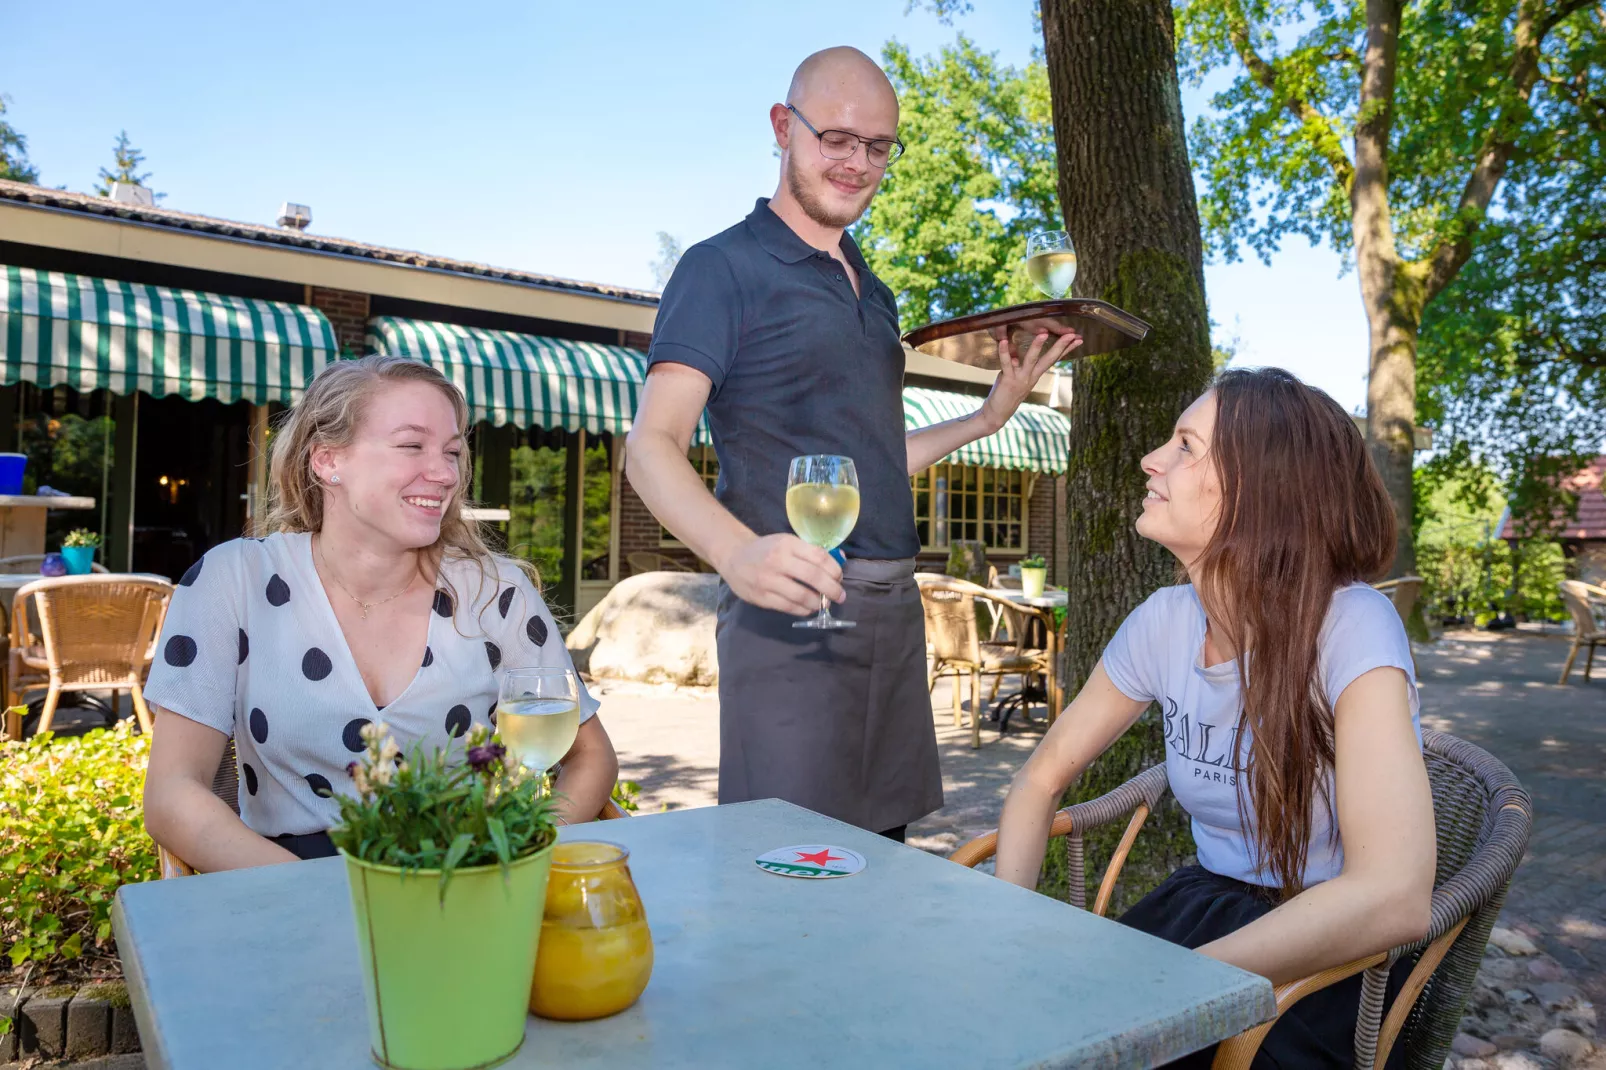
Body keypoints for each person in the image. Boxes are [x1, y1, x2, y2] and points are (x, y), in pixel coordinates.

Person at [625, 46, 1082, 840]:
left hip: (894, 614)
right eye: (836, 138)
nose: (856, 163)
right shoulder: (720, 268)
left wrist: (987, 417)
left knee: (883, 863)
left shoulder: (873, 289)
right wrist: (738, 556)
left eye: (877, 147)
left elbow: (872, 463)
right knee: (786, 868)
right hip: (792, 612)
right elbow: (651, 445)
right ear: (783, 127)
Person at [992, 368, 1434, 1067]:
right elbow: (1039, 781)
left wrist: (1183, 984)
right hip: (1200, 905)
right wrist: (1004, 928)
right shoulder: (1164, 622)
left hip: (1327, 950)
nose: (1151, 459)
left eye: (1186, 446)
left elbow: (1394, 895)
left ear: (1262, 491)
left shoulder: (1352, 626)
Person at [143, 355, 618, 870]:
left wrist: (518, 858)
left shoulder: (495, 590)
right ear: (327, 460)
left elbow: (589, 755)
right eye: (412, 445)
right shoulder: (233, 581)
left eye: (453, 452)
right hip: (286, 881)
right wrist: (313, 897)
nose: (443, 474)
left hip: (463, 877)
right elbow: (173, 792)